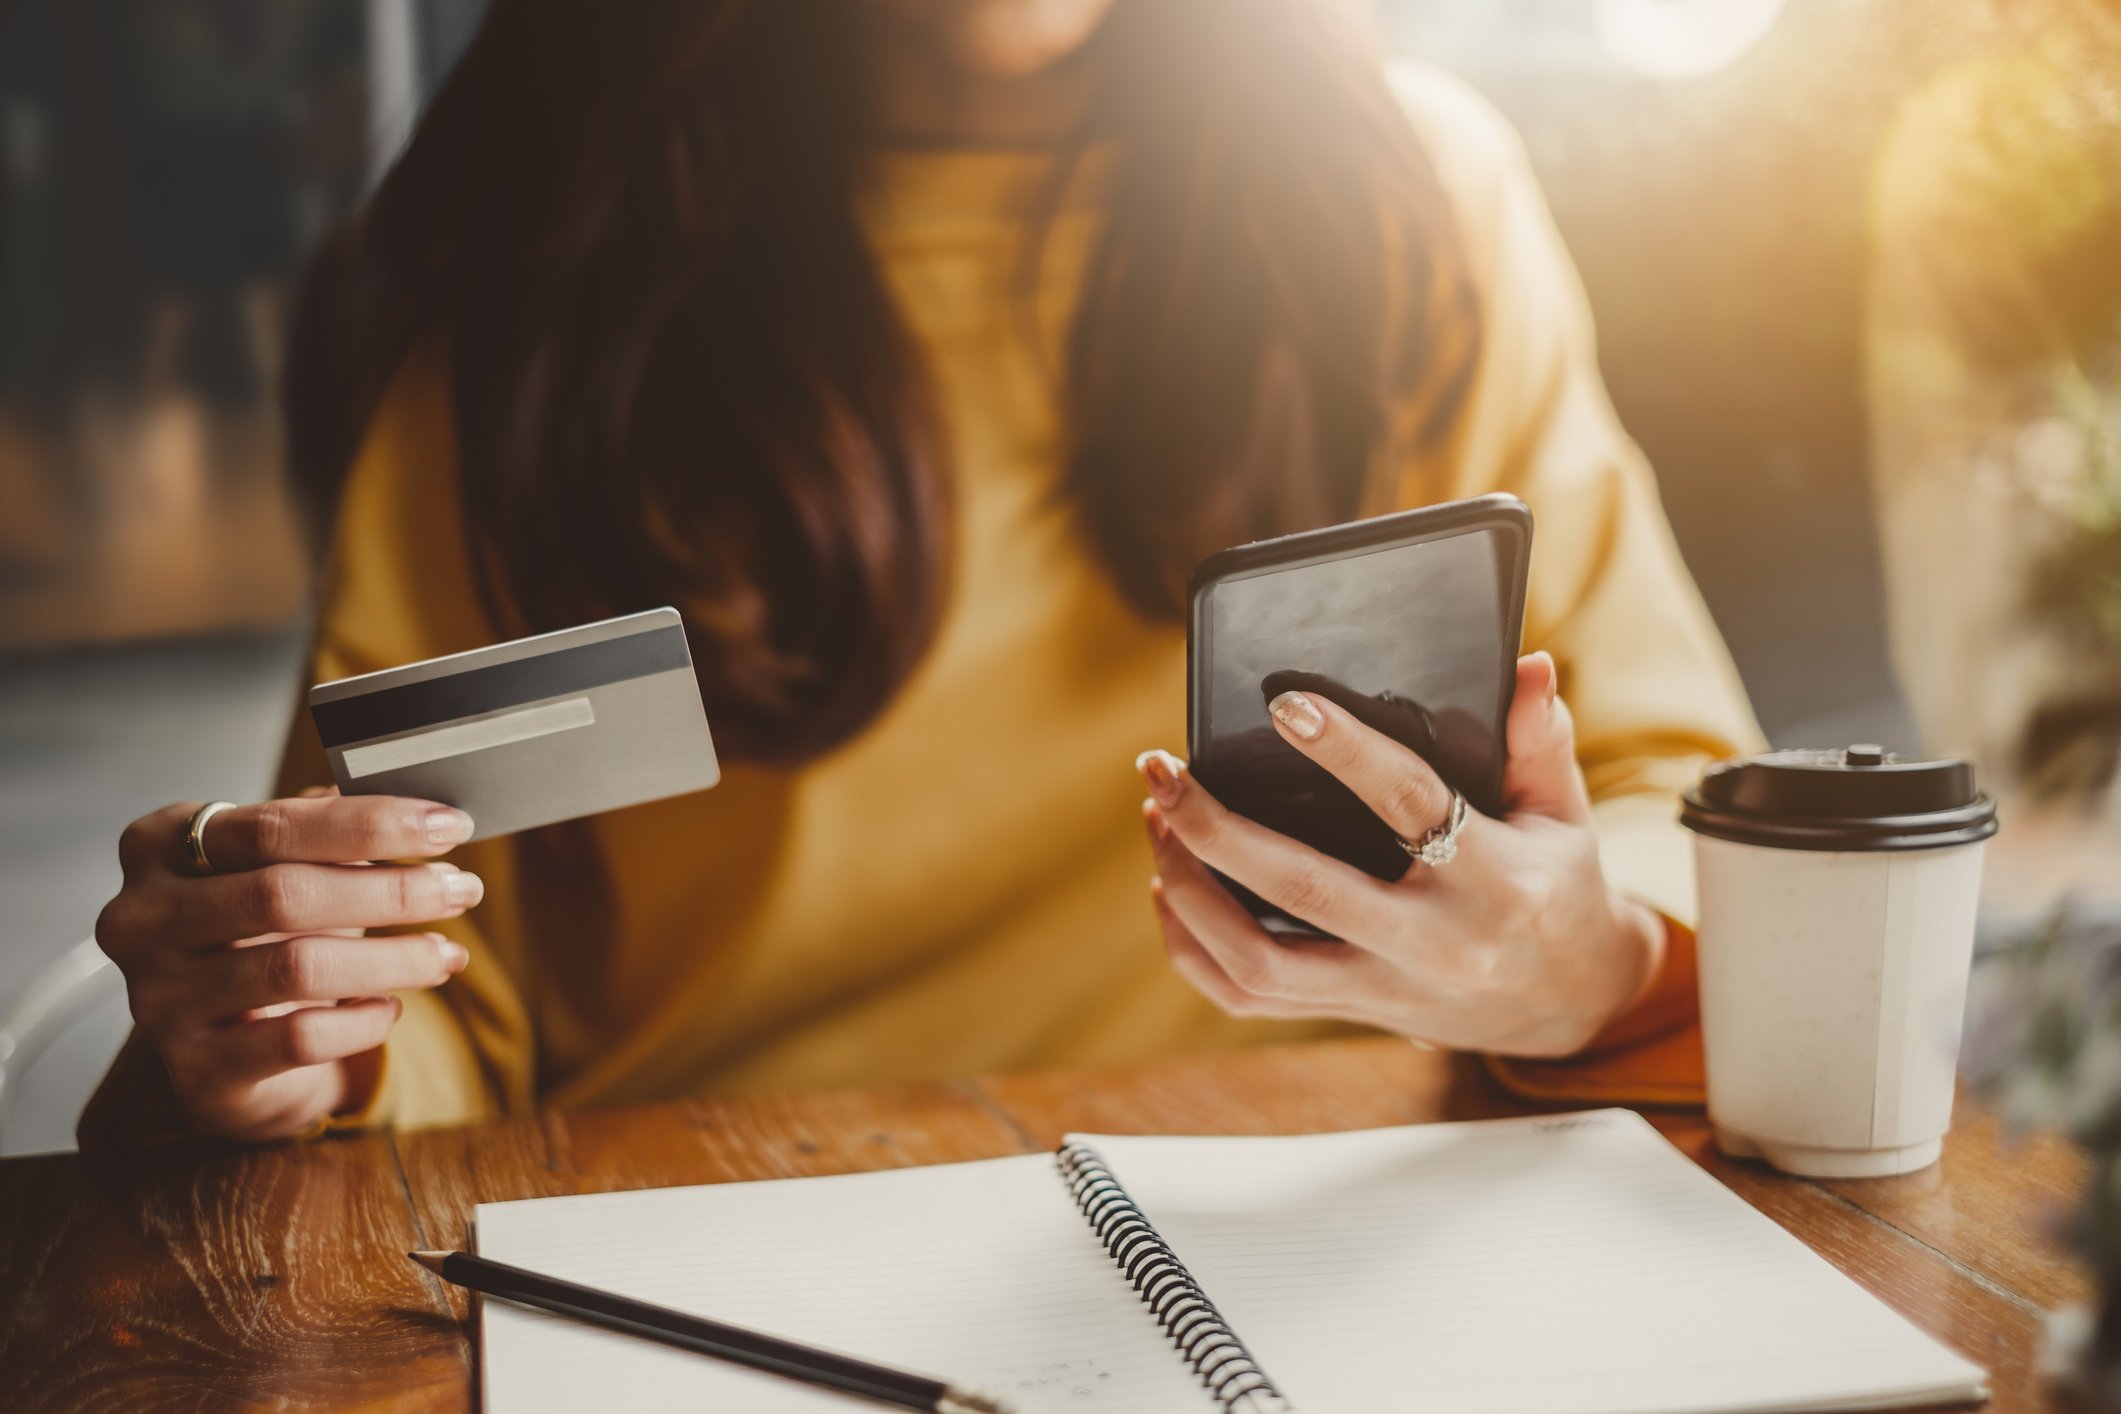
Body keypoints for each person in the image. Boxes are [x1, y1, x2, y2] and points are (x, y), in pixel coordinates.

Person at [84, 0, 1760, 1146]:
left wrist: (1587, 962)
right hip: (692, 1249)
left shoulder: (1415, 210)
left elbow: (1672, 798)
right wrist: (310, 1029)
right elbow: (435, 991)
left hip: (1358, 1229)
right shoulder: (535, 297)